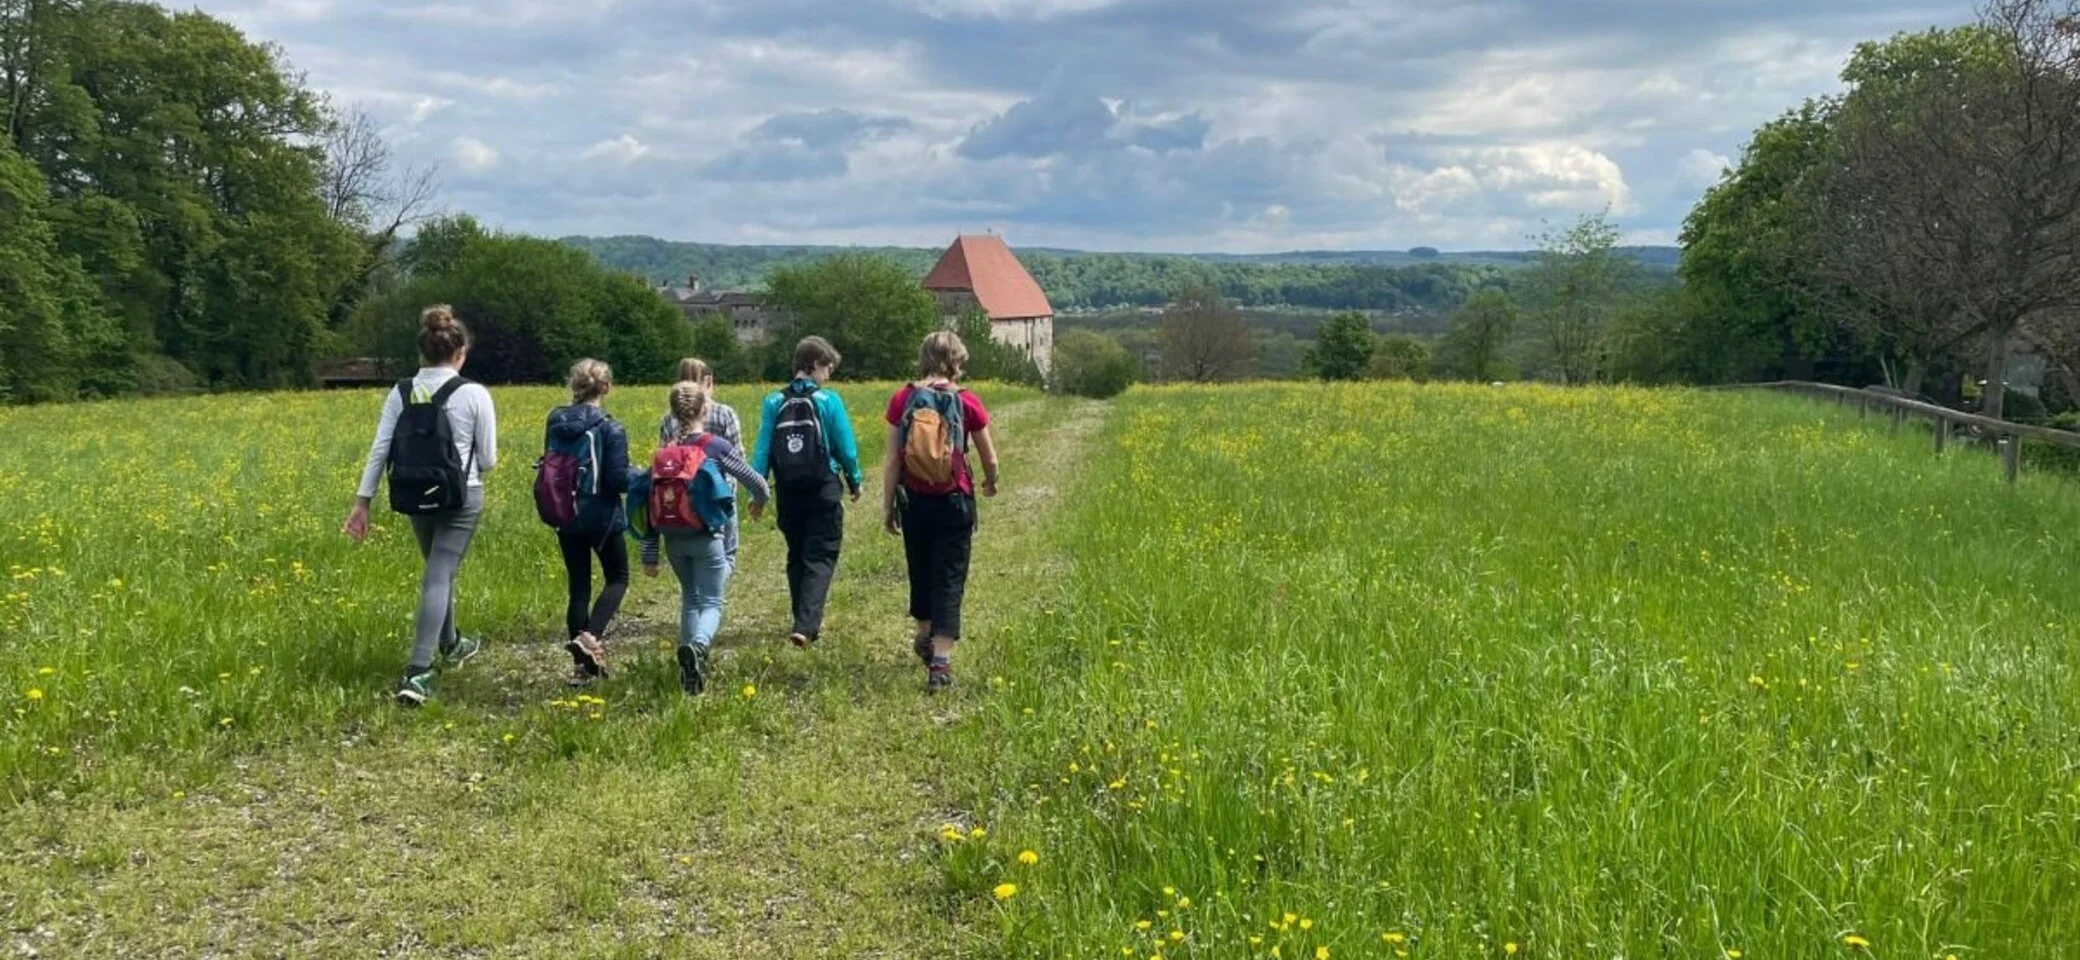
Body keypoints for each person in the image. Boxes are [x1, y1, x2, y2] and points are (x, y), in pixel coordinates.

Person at [343, 304, 500, 706]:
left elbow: (381, 449)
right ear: (460, 352)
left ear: (422, 352)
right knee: (439, 573)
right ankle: (419, 670)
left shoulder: (401, 391)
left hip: (411, 492)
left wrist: (363, 502)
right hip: (461, 494)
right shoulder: (474, 394)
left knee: (437, 571)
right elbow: (489, 458)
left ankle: (451, 643)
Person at [882, 331, 999, 693]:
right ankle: (941, 663)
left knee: (920, 566)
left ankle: (923, 632)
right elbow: (989, 456)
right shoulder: (967, 401)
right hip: (955, 499)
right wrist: (991, 481)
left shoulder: (903, 398)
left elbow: (891, 459)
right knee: (949, 575)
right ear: (956, 362)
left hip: (915, 499)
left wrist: (888, 506)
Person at [640, 381, 771, 693]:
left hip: (673, 539)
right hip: (707, 535)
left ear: (673, 412)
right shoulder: (715, 446)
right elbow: (757, 483)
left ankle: (689, 667)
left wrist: (649, 553)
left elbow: (650, 503)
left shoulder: (664, 454)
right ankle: (698, 648)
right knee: (712, 599)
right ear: (705, 408)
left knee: (691, 597)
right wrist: (759, 500)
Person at [751, 336, 862, 648]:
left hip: (788, 489)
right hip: (822, 486)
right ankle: (806, 624)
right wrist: (855, 480)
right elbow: (845, 447)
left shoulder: (774, 401)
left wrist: (757, 492)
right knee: (821, 554)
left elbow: (762, 450)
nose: (828, 376)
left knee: (797, 553)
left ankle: (801, 617)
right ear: (814, 365)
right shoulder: (828, 401)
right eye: (827, 368)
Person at [544, 359, 631, 686]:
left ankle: (580, 670)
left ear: (574, 385)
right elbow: (617, 480)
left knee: (578, 586)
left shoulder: (555, 420)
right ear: (606, 387)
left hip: (564, 511)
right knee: (618, 577)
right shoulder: (610, 427)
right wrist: (639, 475)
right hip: (601, 515)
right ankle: (590, 638)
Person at [659, 357, 746, 563]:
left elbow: (663, 464)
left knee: (690, 566)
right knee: (726, 557)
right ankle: (713, 594)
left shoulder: (668, 420)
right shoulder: (725, 414)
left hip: (681, 506)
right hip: (721, 501)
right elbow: (739, 458)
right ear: (708, 381)